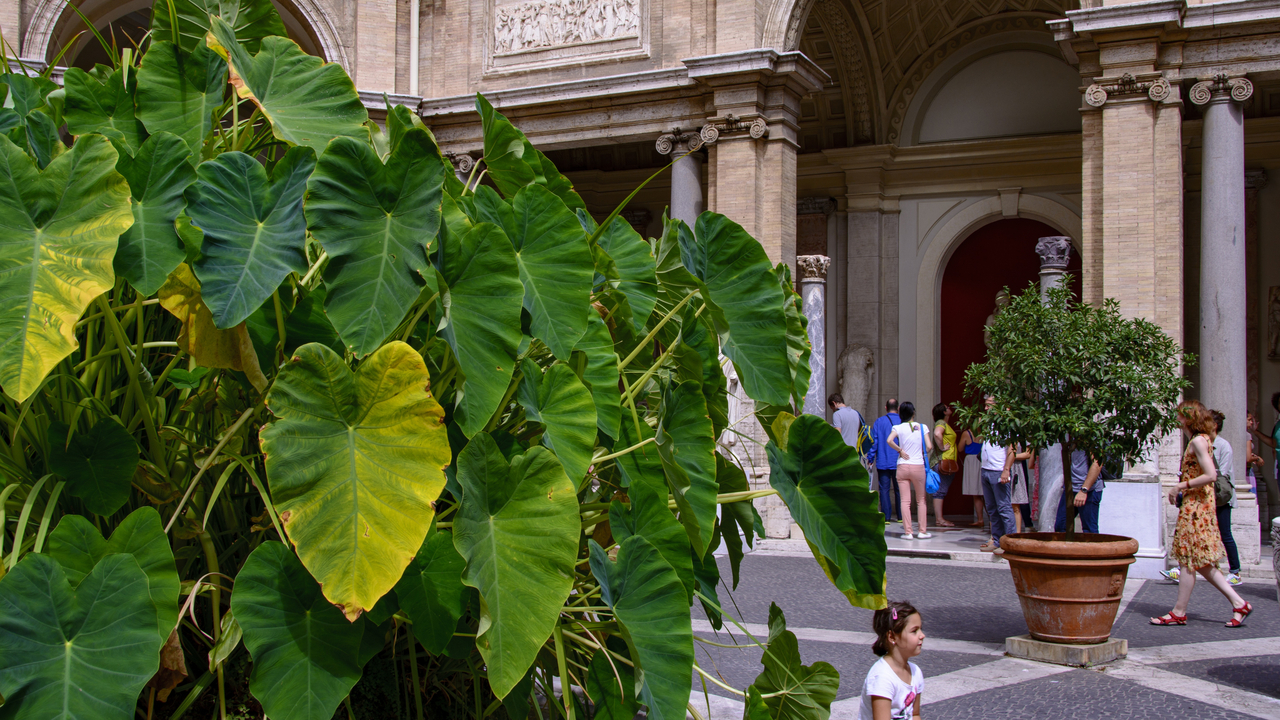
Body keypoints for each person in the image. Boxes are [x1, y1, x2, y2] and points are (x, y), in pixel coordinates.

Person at [1150, 400, 1252, 628]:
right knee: (1197, 561)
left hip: (1196, 508)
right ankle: (1238, 603)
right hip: (1197, 506)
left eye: (1180, 416)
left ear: (1188, 418)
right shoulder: (1203, 439)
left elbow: (1211, 474)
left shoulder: (1197, 440)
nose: (1177, 419)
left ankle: (1179, 612)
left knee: (1188, 559)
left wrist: (1180, 486)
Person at [859, 600, 924, 720]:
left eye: (920, 629)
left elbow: (915, 714)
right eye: (914, 631)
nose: (922, 635)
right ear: (892, 637)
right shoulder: (882, 677)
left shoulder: (916, 672)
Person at [888, 402, 932, 539]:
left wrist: (900, 450)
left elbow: (889, 440)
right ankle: (922, 531)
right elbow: (929, 447)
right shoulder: (922, 427)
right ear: (913, 413)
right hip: (918, 465)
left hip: (902, 465)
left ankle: (908, 532)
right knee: (921, 500)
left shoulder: (898, 427)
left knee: (905, 501)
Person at [978, 397, 1015, 553]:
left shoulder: (1006, 424)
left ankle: (1011, 543)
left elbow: (1012, 449)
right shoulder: (988, 424)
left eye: (989, 405)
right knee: (992, 508)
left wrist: (1006, 469)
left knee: (1004, 507)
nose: (986, 409)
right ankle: (998, 540)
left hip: (998, 469)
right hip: (986, 468)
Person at [1209, 410, 1242, 586]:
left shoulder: (1223, 446)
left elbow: (1221, 473)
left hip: (1221, 497)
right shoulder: (1203, 443)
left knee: (1225, 533)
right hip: (1208, 496)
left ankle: (1235, 571)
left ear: (1214, 425)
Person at [1054, 448, 1105, 535]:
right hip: (1071, 488)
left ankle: (1091, 548)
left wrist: (1084, 490)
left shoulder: (1091, 437)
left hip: (1089, 490)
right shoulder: (1070, 439)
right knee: (1061, 526)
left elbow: (1097, 463)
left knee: (1089, 530)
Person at [872, 399, 902, 524]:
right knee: (899, 489)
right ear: (898, 408)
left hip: (883, 461)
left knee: (884, 489)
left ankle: (886, 517)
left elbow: (875, 441)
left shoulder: (879, 422)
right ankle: (901, 516)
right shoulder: (902, 422)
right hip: (899, 461)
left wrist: (870, 457)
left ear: (886, 407)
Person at [930, 404, 957, 528]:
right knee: (940, 491)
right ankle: (939, 519)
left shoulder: (944, 423)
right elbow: (937, 434)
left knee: (941, 490)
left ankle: (940, 519)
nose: (950, 408)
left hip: (947, 460)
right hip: (943, 460)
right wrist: (942, 447)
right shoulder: (941, 422)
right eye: (947, 407)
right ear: (944, 411)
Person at [958, 426, 986, 528]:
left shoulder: (967, 433)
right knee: (985, 492)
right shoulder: (986, 432)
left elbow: (960, 448)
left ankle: (980, 519)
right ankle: (991, 520)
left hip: (971, 460)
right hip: (983, 459)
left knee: (976, 493)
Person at [1010, 445, 1033, 533]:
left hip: (1016, 468)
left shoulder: (1022, 436)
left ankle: (1017, 533)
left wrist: (1011, 457)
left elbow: (1028, 454)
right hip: (1000, 466)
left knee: (1016, 504)